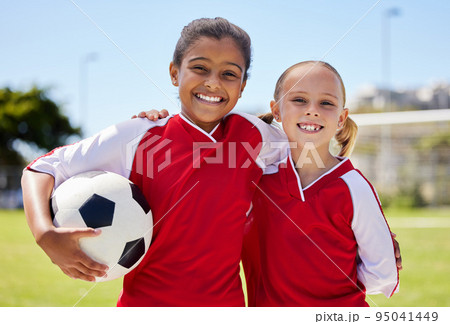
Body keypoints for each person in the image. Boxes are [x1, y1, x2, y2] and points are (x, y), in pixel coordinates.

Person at [21, 17, 288, 307]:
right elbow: (41, 168)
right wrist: (44, 234)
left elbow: (313, 149)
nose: (213, 82)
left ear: (243, 85)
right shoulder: (138, 135)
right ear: (175, 73)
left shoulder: (255, 135)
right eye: (200, 68)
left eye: (229, 74)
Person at [241, 61, 399, 306]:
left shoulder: (353, 187)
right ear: (277, 111)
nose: (312, 110)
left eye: (326, 103)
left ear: (341, 118)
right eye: (299, 100)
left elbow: (382, 274)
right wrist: (158, 121)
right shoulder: (255, 180)